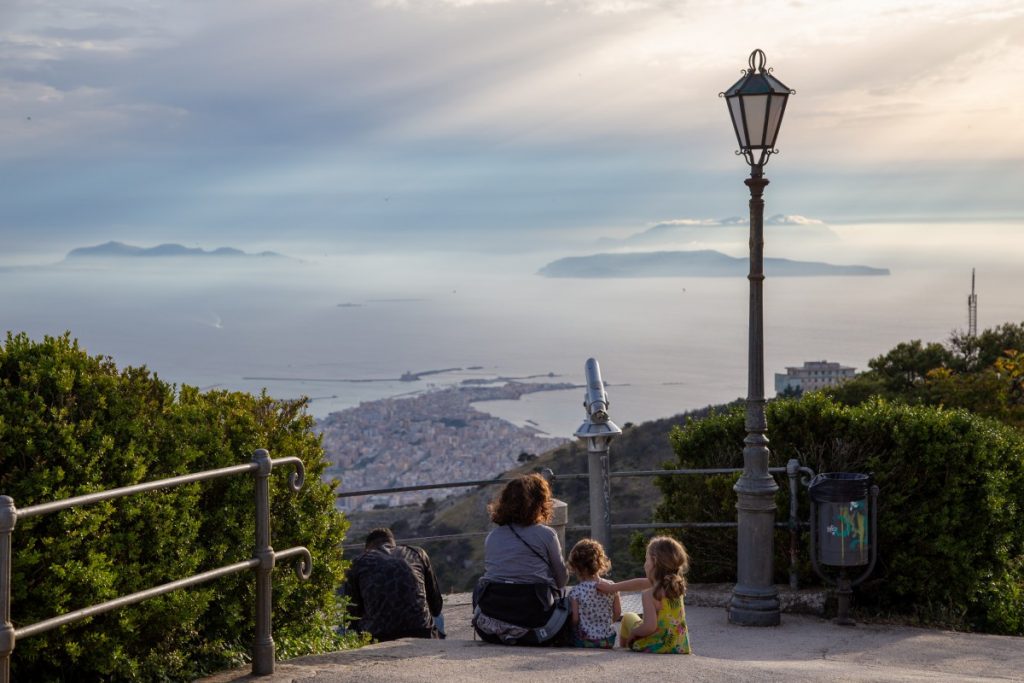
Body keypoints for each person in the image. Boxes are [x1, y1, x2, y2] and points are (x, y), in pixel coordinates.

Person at [472, 473, 569, 645]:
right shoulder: (546, 535)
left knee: (481, 585)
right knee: (566, 598)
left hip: (491, 621)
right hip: (534, 619)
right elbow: (562, 581)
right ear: (540, 504)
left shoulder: (493, 536)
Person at [344, 527, 445, 641]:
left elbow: (352, 614)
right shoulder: (418, 553)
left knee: (341, 629)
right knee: (439, 617)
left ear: (367, 548)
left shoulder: (358, 563)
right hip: (422, 632)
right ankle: (440, 644)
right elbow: (436, 606)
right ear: (393, 543)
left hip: (377, 636)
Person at [598, 535, 691, 654]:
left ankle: (624, 647)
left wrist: (634, 633)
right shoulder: (675, 587)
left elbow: (649, 627)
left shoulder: (650, 594)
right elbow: (640, 583)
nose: (644, 564)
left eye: (646, 559)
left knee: (628, 617)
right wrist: (612, 587)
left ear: (654, 561)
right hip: (679, 645)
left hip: (656, 645)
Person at [566, 538, 620, 648]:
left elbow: (575, 619)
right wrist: (606, 624)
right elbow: (618, 612)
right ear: (600, 562)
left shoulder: (576, 592)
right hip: (608, 640)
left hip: (584, 640)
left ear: (576, 567)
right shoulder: (611, 586)